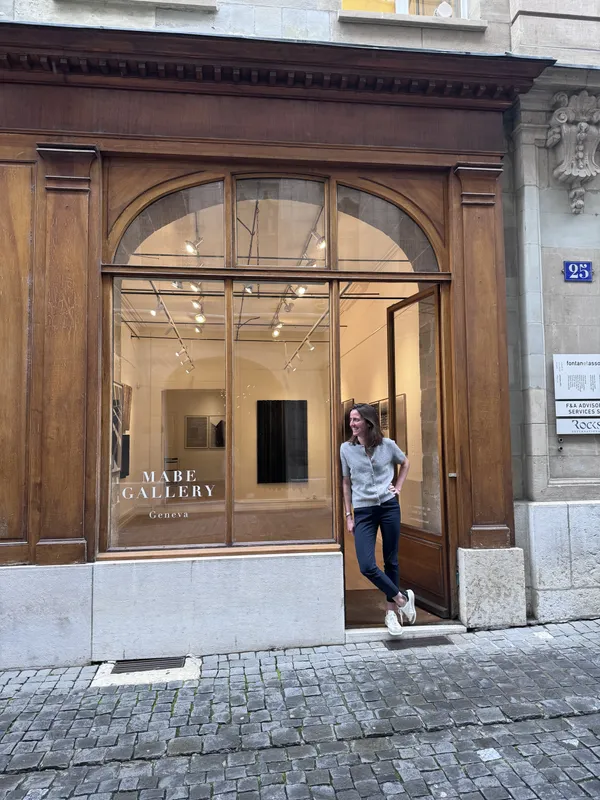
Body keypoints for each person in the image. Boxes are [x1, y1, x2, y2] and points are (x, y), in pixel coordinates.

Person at [340, 403, 415, 636]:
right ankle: (402, 599)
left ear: (368, 422)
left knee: (391, 560)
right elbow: (345, 482)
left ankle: (391, 613)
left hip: (389, 507)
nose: (352, 424)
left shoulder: (388, 445)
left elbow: (406, 462)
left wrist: (398, 487)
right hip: (363, 510)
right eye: (351, 420)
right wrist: (348, 515)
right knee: (366, 565)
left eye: (356, 420)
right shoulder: (346, 449)